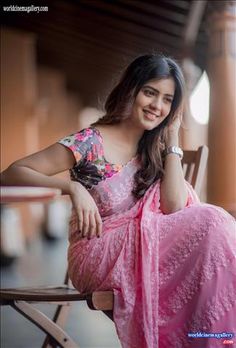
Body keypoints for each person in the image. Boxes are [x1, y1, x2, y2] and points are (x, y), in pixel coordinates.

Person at [1, 54, 236, 348]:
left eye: (167, 99)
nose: (157, 106)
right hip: (96, 252)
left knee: (213, 228)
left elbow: (173, 207)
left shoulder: (155, 147)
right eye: (150, 92)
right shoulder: (90, 142)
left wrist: (172, 136)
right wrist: (71, 189)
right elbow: (11, 173)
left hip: (148, 250)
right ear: (131, 89)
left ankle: (208, 339)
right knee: (213, 220)